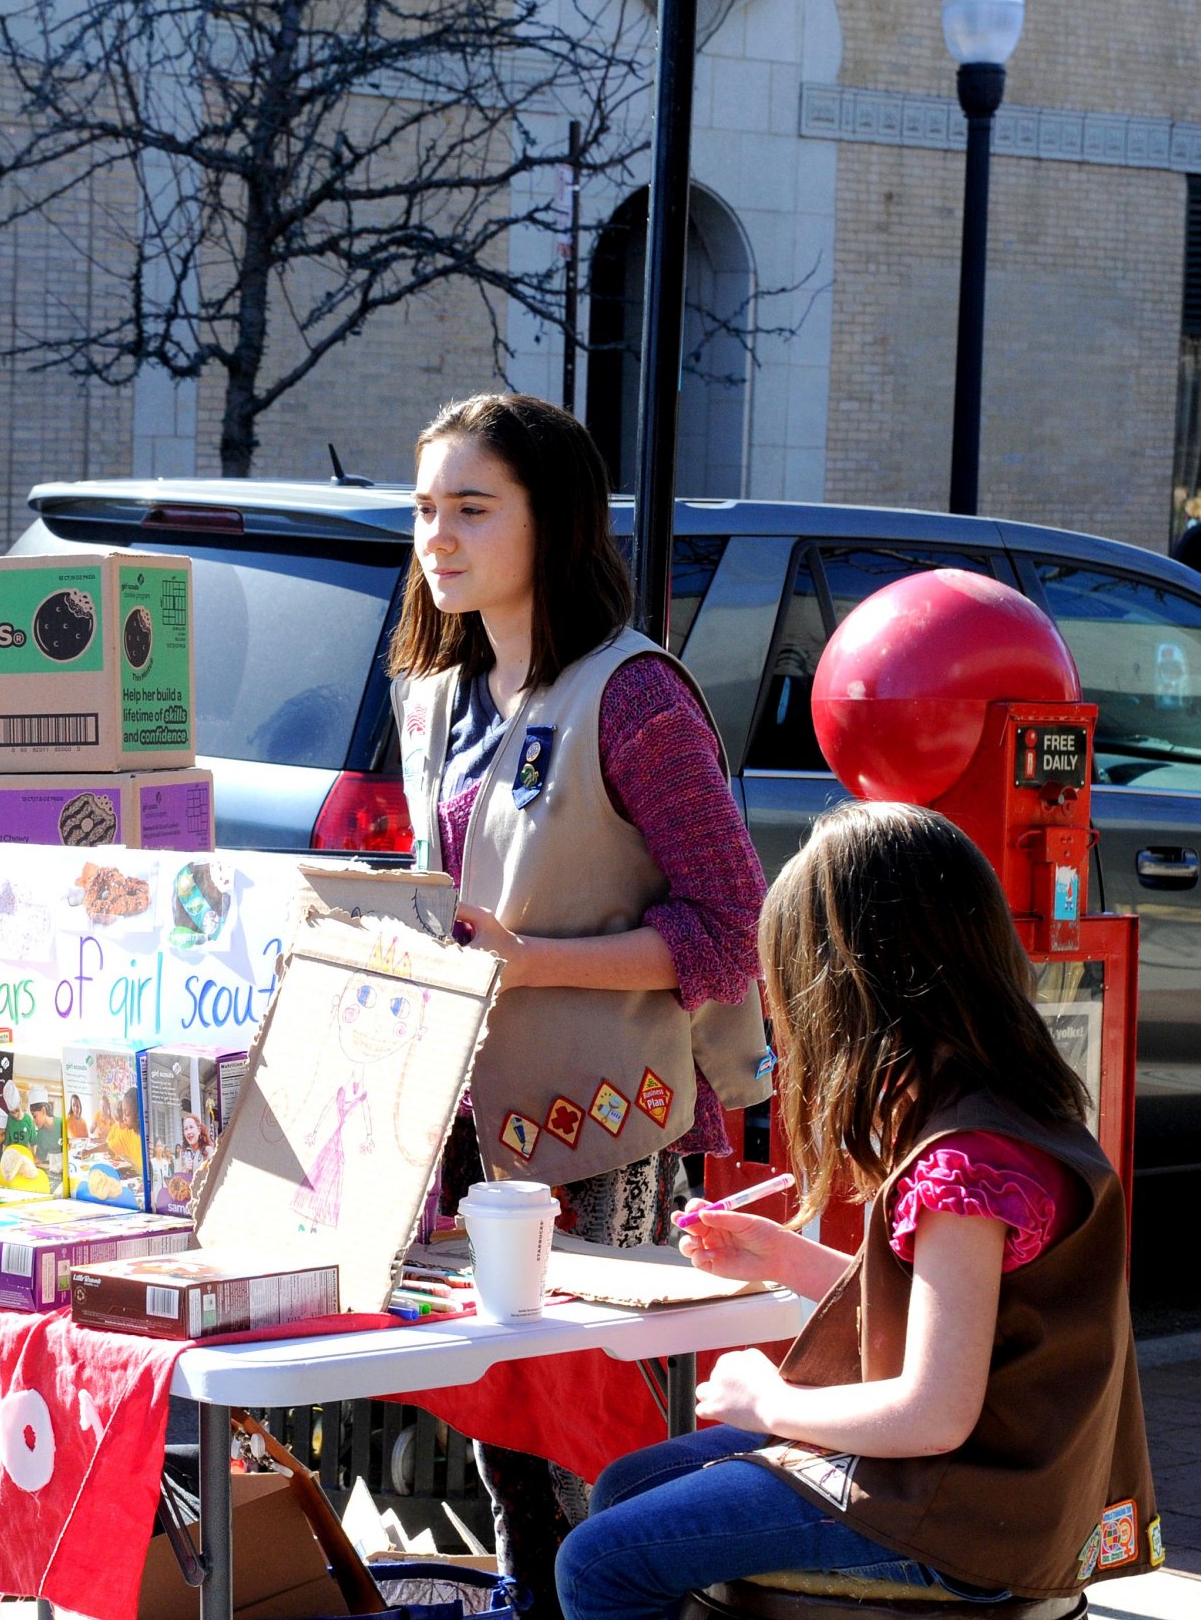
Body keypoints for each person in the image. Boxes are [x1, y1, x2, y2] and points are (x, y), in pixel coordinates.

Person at [556, 802, 1157, 1619]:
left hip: (961, 1519)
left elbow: (932, 1414)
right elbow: (967, 1315)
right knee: (632, 1486)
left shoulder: (961, 1165)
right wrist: (787, 1259)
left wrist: (768, 1402)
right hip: (1007, 1494)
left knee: (601, 1561)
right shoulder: (1013, 1117)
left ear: (848, 990)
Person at [389, 392, 772, 1617]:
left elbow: (732, 927)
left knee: (598, 1432)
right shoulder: (435, 692)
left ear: (549, 521)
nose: (436, 538)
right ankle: (527, 1598)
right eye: (424, 509)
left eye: (469, 509)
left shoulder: (635, 694)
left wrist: (528, 957)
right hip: (459, 1110)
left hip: (606, 1118)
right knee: (503, 1407)